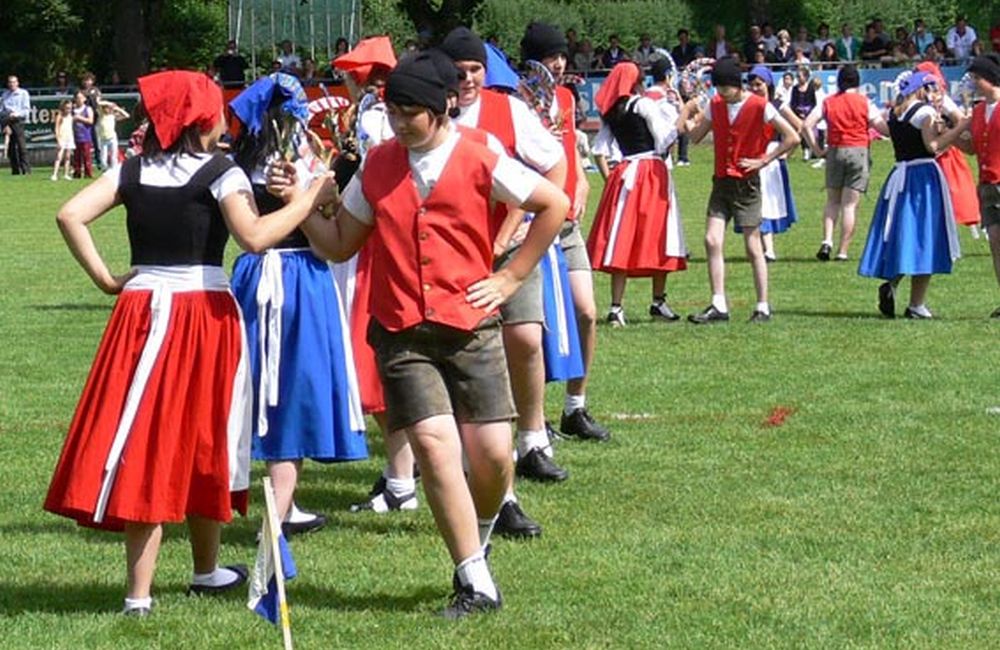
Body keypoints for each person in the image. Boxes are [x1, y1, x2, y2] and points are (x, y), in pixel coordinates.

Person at [282, 51, 568, 618]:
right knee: (437, 450)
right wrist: (302, 203)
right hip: (400, 331)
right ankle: (473, 577)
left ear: (439, 111)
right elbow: (341, 244)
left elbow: (553, 202)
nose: (397, 123)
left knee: (491, 459)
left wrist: (510, 277)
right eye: (391, 112)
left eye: (409, 113)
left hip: (471, 327)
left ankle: (478, 538)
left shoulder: (481, 156)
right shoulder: (379, 164)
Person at [43, 70, 339, 616]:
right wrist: (311, 197)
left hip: (142, 310)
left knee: (155, 436)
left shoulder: (131, 169)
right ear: (203, 119)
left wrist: (108, 280)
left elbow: (70, 214)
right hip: (203, 313)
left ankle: (184, 579)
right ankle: (165, 586)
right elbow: (254, 237)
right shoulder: (220, 171)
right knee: (204, 436)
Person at [442, 26, 578, 539]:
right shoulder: (430, 115)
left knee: (523, 338)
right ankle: (495, 490)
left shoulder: (509, 110)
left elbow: (555, 164)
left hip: (508, 255)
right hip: (455, 261)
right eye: (460, 70)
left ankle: (532, 437)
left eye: (476, 69)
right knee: (478, 366)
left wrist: (524, 228)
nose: (468, 78)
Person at [228, 73, 367, 537]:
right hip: (293, 274)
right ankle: (277, 512)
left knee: (274, 386)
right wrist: (318, 194)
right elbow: (319, 211)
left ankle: (285, 506)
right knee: (289, 391)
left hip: (258, 276)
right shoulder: (286, 159)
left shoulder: (240, 159)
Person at [523, 22, 612, 460]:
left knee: (586, 311)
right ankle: (533, 423)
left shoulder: (565, 98)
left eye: (561, 56)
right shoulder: (518, 99)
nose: (558, 64)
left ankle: (575, 406)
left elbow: (570, 154)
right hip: (532, 222)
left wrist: (582, 186)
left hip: (568, 222)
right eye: (550, 56)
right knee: (533, 327)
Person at [678, 56, 800, 324]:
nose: (721, 94)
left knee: (753, 246)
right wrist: (686, 112)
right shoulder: (716, 105)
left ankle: (763, 306)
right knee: (711, 240)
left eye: (726, 89)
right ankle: (718, 304)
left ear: (737, 85)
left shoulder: (760, 106)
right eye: (718, 89)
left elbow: (793, 136)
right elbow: (696, 136)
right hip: (721, 181)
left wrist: (764, 160)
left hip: (747, 184)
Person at [858, 72, 967, 318]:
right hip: (923, 177)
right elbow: (933, 147)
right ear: (921, 89)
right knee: (925, 236)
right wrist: (960, 126)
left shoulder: (896, 113)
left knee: (904, 233)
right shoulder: (924, 113)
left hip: (900, 175)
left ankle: (893, 283)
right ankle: (916, 304)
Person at [587, 61, 687, 327]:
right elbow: (665, 139)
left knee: (623, 237)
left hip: (625, 173)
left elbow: (598, 149)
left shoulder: (611, 112)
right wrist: (685, 111)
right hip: (650, 173)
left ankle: (616, 306)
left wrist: (611, 177)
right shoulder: (643, 104)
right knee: (659, 234)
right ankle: (657, 300)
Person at [802, 65, 889, 262]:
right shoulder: (864, 102)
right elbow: (882, 129)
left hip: (835, 150)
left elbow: (806, 125)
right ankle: (842, 251)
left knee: (832, 201)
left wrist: (817, 150)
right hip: (858, 150)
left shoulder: (828, 102)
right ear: (857, 82)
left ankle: (827, 241)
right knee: (849, 206)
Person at [738, 66, 801, 262]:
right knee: (756, 202)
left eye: (759, 84)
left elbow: (798, 127)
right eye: (752, 84)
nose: (755, 88)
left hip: (771, 156)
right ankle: (763, 248)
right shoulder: (747, 105)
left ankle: (768, 249)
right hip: (753, 155)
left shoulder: (777, 104)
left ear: (768, 85)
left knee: (768, 202)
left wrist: (786, 153)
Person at [956, 54, 1000, 316]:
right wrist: (950, 137)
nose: (973, 83)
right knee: (995, 242)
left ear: (990, 79)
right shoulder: (980, 109)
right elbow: (972, 147)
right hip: (987, 185)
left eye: (976, 78)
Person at [916, 61, 981, 233]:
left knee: (953, 193)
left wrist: (953, 132)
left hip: (942, 151)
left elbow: (959, 119)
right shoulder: (928, 97)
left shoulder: (940, 98)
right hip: (934, 150)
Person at [2, 75, 31, 175]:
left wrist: (16, 114)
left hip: (18, 121)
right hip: (7, 120)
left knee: (21, 146)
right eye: (10, 82)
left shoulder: (23, 93)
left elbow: (26, 110)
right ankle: (15, 170)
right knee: (11, 148)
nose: (12, 84)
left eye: (14, 82)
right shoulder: (5, 95)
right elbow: (1, 110)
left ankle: (26, 170)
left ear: (17, 83)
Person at [97, 101, 129, 171]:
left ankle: (114, 170)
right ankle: (105, 169)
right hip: (103, 139)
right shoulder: (101, 115)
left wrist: (117, 108)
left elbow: (127, 115)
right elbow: (99, 103)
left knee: (114, 156)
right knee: (103, 157)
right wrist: (109, 103)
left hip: (112, 138)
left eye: (108, 108)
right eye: (105, 108)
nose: (106, 110)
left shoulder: (113, 116)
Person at [71, 90, 95, 178]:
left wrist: (79, 118)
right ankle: (77, 173)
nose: (78, 100)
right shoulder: (73, 110)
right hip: (75, 137)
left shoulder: (88, 109)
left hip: (85, 137)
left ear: (84, 99)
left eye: (80, 98)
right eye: (77, 98)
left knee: (86, 156)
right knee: (76, 157)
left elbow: (90, 121)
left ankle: (88, 173)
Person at [51, 99, 75, 180]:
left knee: (68, 157)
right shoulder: (60, 116)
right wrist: (58, 139)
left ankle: (66, 174)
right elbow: (56, 128)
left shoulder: (71, 116)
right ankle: (54, 174)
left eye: (70, 108)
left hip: (69, 137)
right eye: (67, 108)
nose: (69, 110)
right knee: (59, 156)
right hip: (62, 138)